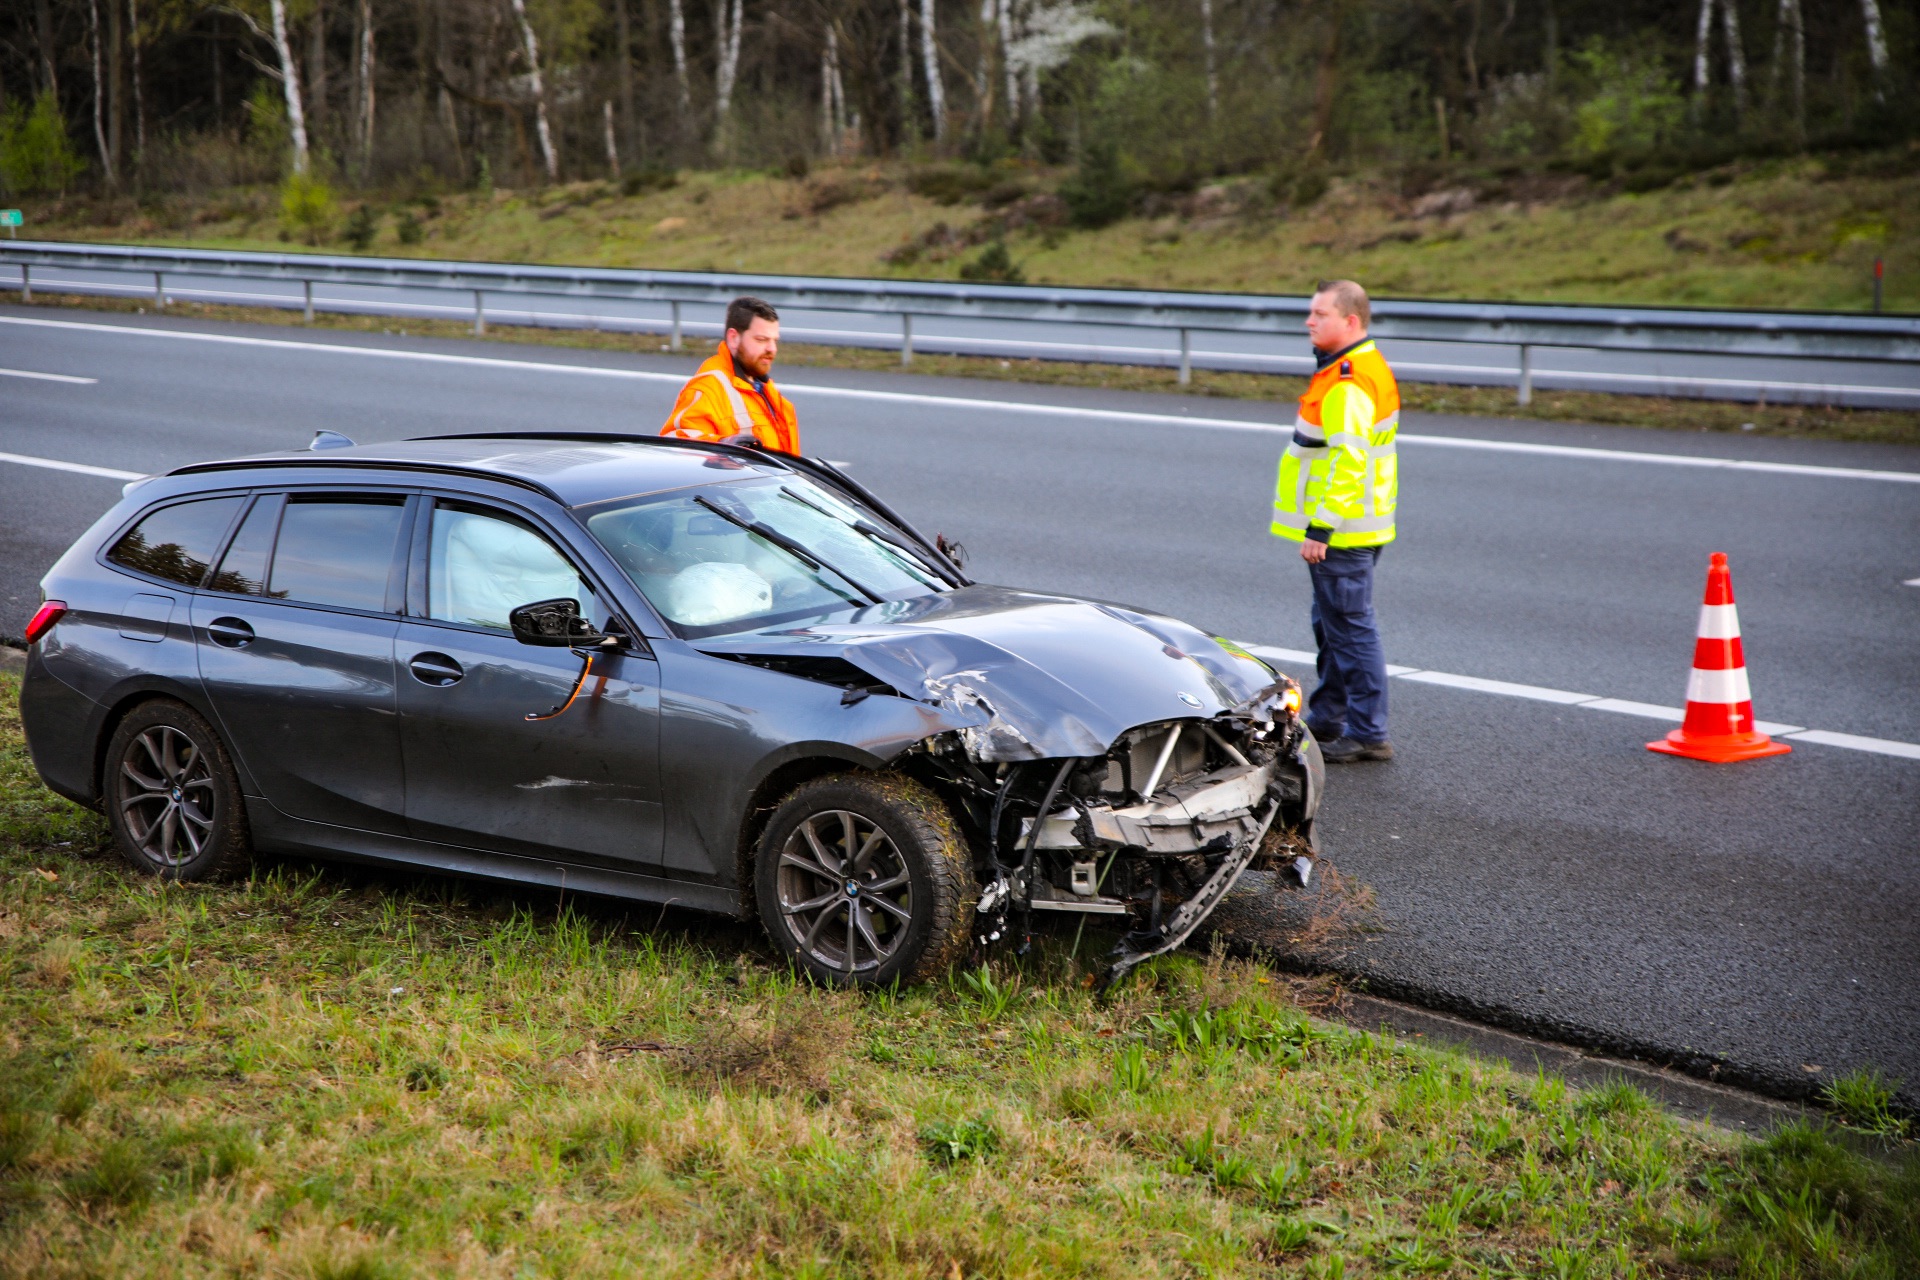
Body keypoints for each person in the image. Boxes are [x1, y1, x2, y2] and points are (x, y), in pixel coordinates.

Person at [1269, 279, 1400, 763]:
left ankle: (1367, 732)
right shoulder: (1355, 367)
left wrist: (1320, 527)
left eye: (1319, 314)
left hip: (1342, 531)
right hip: (1359, 523)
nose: (1309, 321)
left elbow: (1350, 461)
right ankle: (1329, 717)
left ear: (1350, 321)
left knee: (1350, 628)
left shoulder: (1347, 381)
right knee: (1333, 625)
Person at [660, 296, 801, 454]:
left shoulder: (766, 391)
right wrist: (720, 444)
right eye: (761, 340)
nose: (772, 349)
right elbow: (675, 446)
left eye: (774, 340)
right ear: (733, 338)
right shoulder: (709, 389)